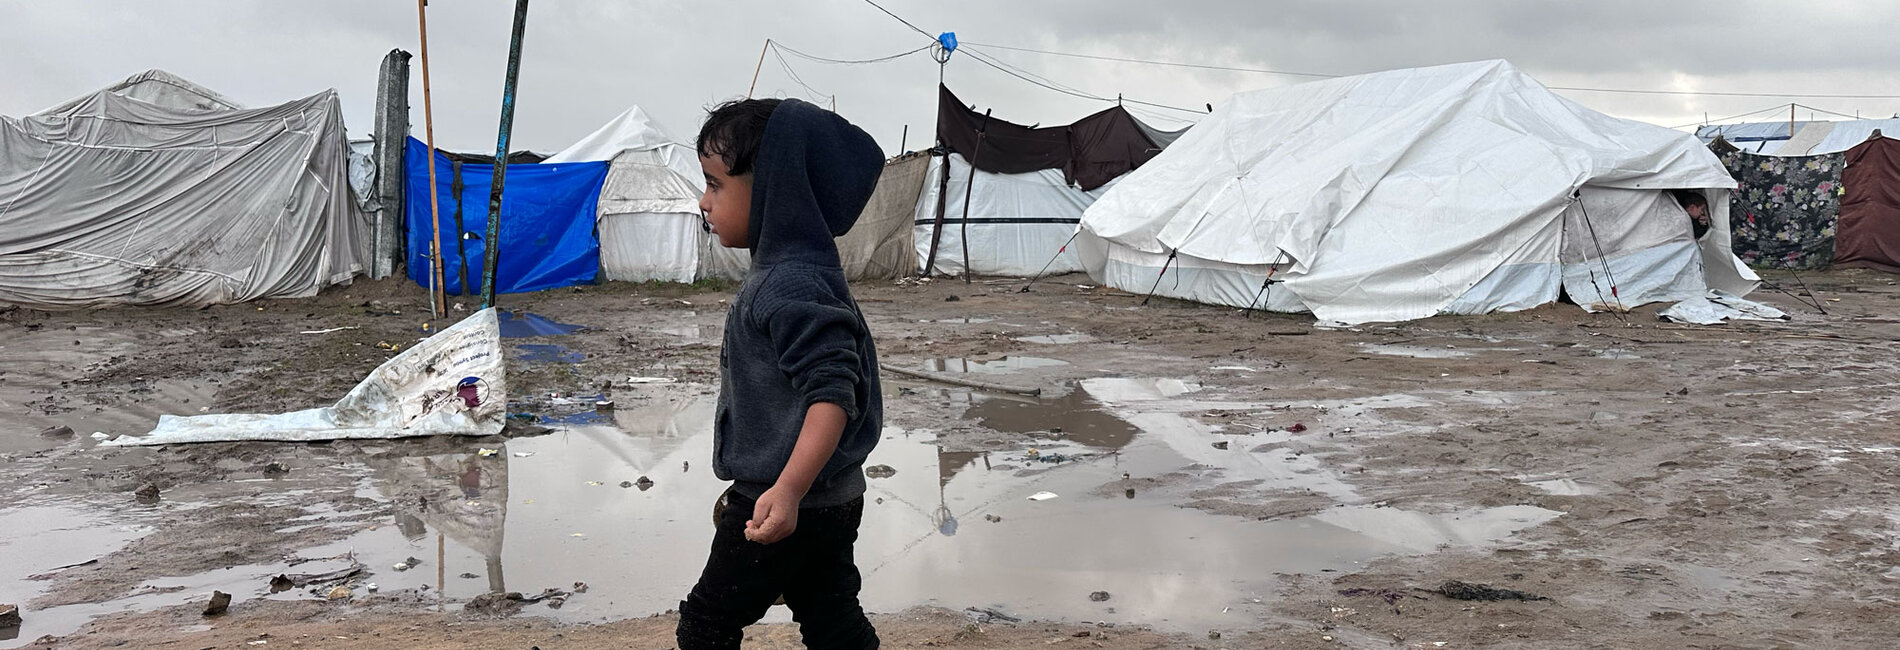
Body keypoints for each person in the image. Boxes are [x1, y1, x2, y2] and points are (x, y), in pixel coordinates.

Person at [675, 97, 886, 650]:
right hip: (831, 498)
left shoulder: (789, 283)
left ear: (775, 188)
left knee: (706, 626)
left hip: (785, 498)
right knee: (831, 616)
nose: (704, 202)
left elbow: (833, 396)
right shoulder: (801, 272)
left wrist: (786, 490)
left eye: (715, 185)